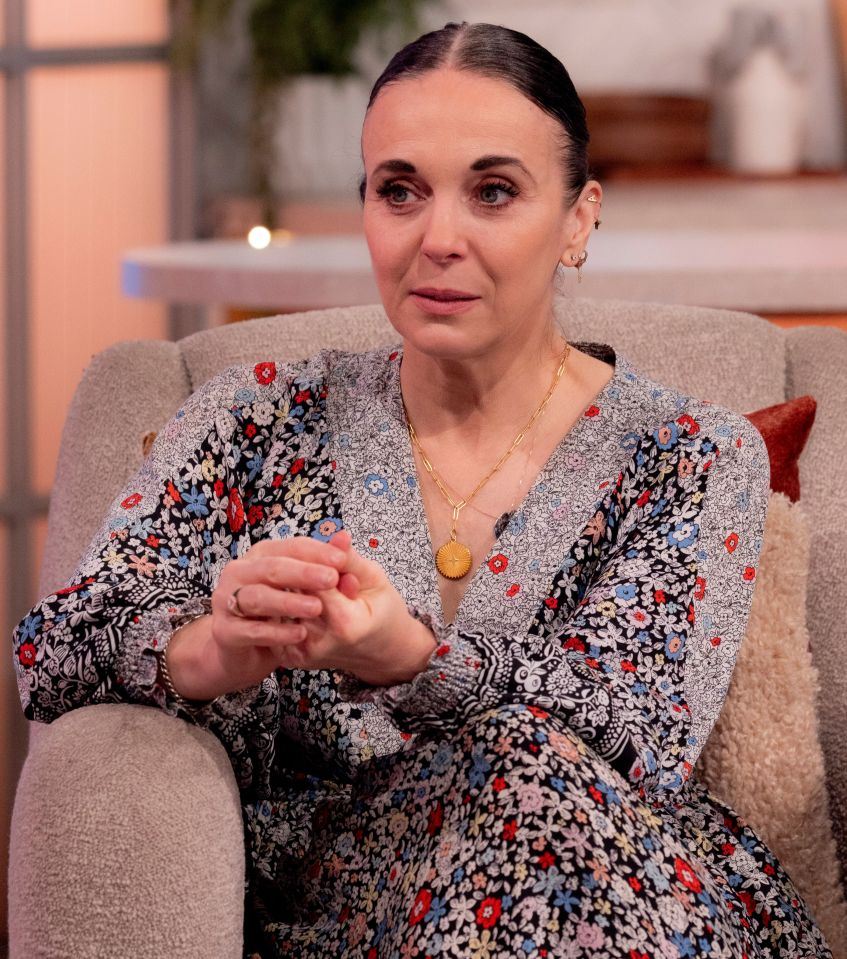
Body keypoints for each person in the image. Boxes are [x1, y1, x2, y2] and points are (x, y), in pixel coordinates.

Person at [13, 21, 830, 959]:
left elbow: (635, 735)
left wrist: (412, 657)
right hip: (357, 913)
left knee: (527, 772)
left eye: (492, 192)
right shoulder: (251, 422)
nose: (438, 238)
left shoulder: (692, 456)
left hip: (634, 893)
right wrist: (210, 649)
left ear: (578, 218)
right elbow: (53, 651)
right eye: (399, 191)